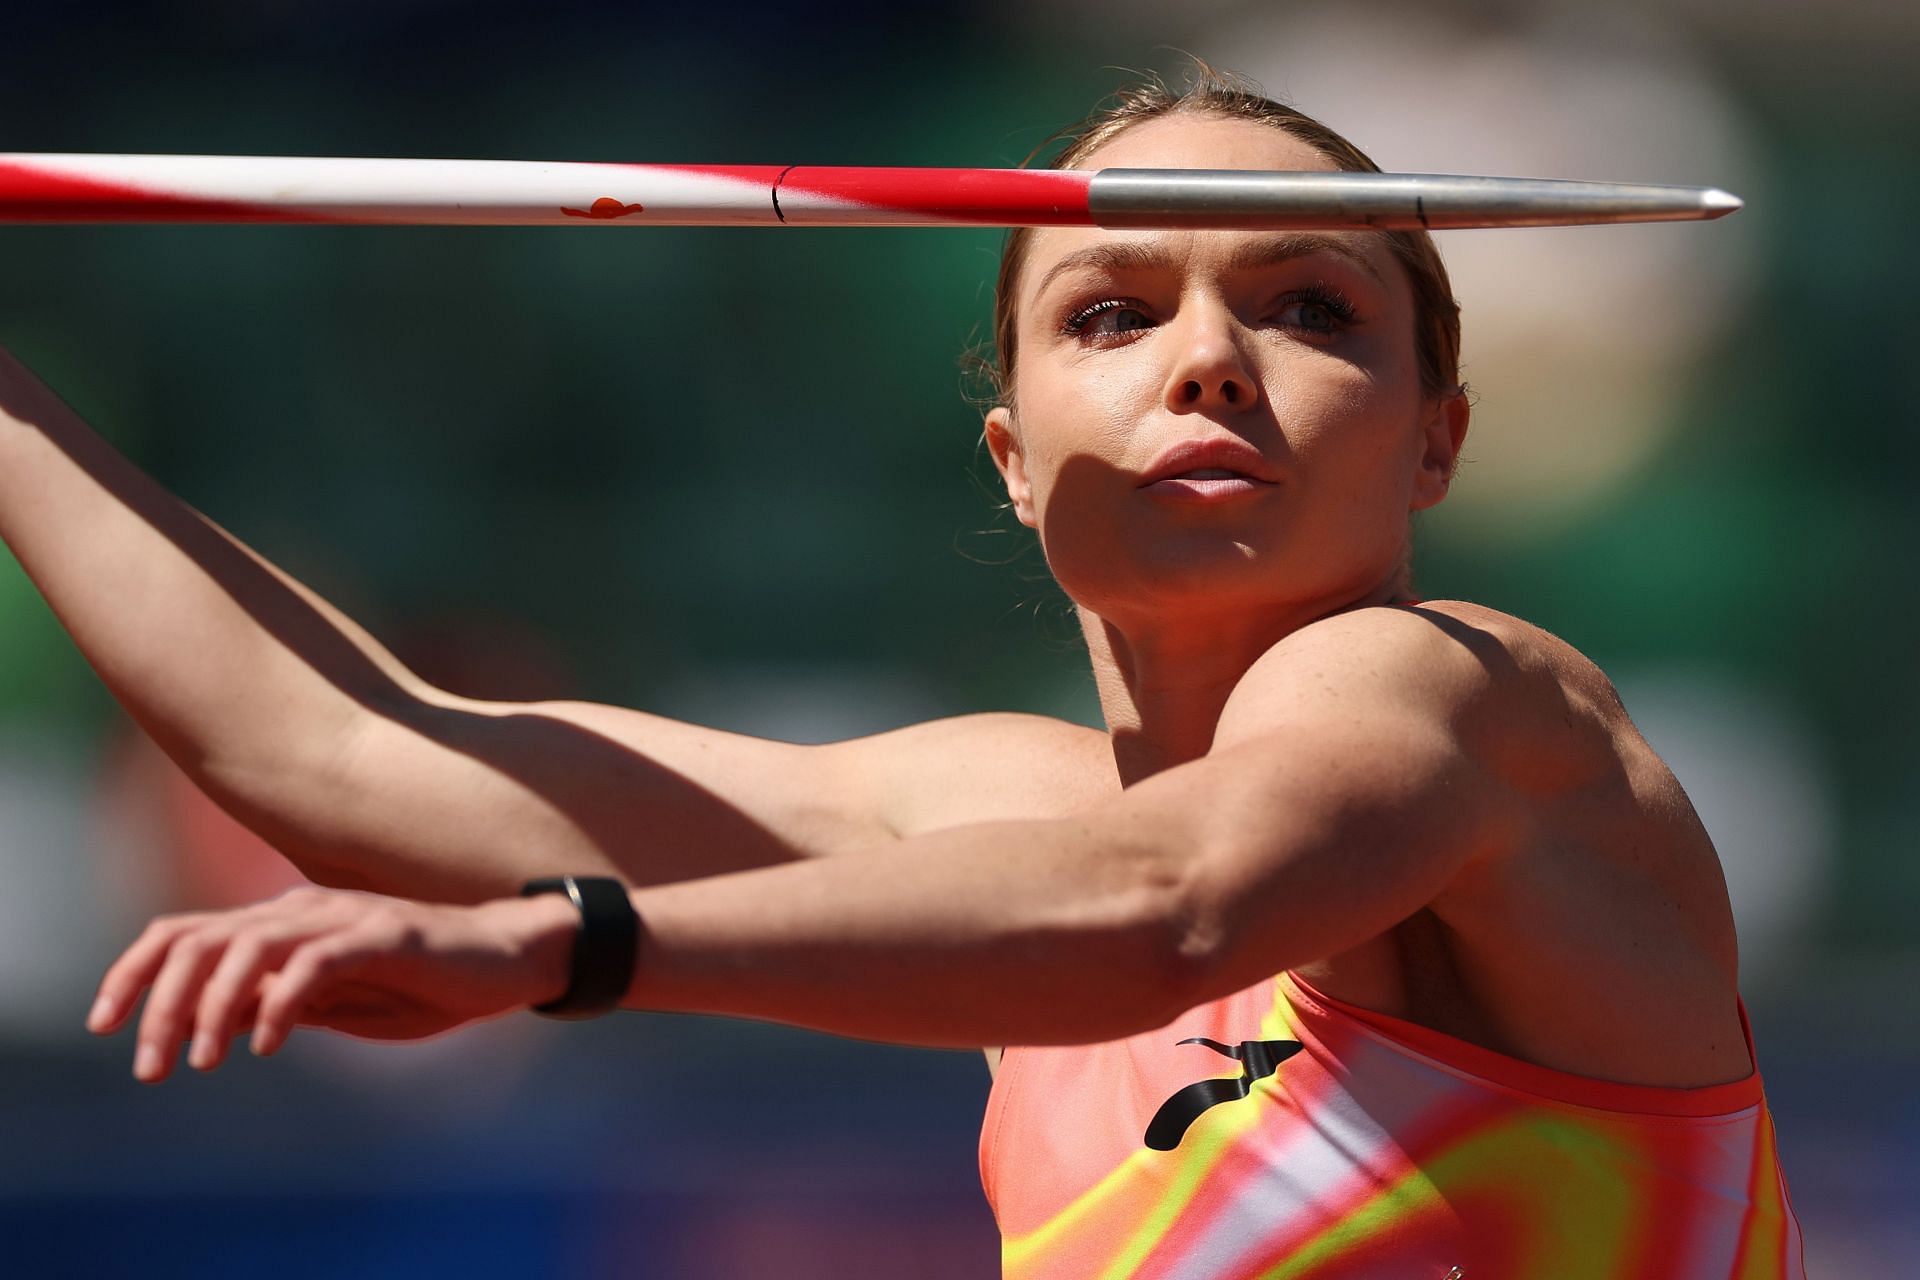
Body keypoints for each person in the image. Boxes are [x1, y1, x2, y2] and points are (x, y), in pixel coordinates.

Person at [0, 65, 1803, 1278]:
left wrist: (569, 939)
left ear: (1437, 437)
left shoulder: (1479, 701)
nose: (1211, 360)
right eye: (1114, 310)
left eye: (1311, 306)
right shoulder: (985, 810)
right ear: (1013, 458)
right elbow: (343, 758)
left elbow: (1173, 903)